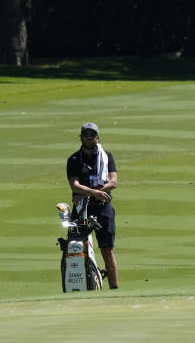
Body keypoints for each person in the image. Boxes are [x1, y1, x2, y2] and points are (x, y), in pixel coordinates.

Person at [67, 122, 118, 289]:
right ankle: (81, 286)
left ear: (98, 137)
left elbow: (113, 182)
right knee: (77, 247)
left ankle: (114, 289)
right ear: (80, 137)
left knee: (107, 250)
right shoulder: (74, 159)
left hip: (103, 207)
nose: (89, 137)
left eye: (92, 134)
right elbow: (74, 185)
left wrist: (94, 192)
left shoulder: (107, 156)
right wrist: (94, 192)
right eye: (85, 134)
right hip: (82, 207)